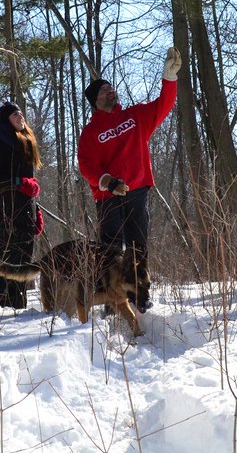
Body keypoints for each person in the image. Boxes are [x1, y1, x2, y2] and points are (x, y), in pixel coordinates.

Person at [77, 47, 181, 313]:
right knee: (110, 250)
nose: (109, 91)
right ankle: (112, 302)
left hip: (136, 191)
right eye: (103, 91)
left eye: (110, 88)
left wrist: (169, 78)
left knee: (139, 246)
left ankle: (141, 296)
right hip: (108, 196)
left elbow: (163, 105)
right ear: (94, 100)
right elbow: (87, 166)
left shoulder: (134, 117)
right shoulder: (91, 132)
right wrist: (107, 181)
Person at [0, 102, 45, 308]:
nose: (21, 117)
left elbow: (29, 184)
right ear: (5, 120)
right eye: (15, 114)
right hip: (2, 210)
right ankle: (0, 308)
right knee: (3, 260)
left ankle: (18, 307)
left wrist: (35, 213)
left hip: (24, 213)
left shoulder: (25, 143)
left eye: (20, 113)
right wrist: (18, 182)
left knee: (22, 262)